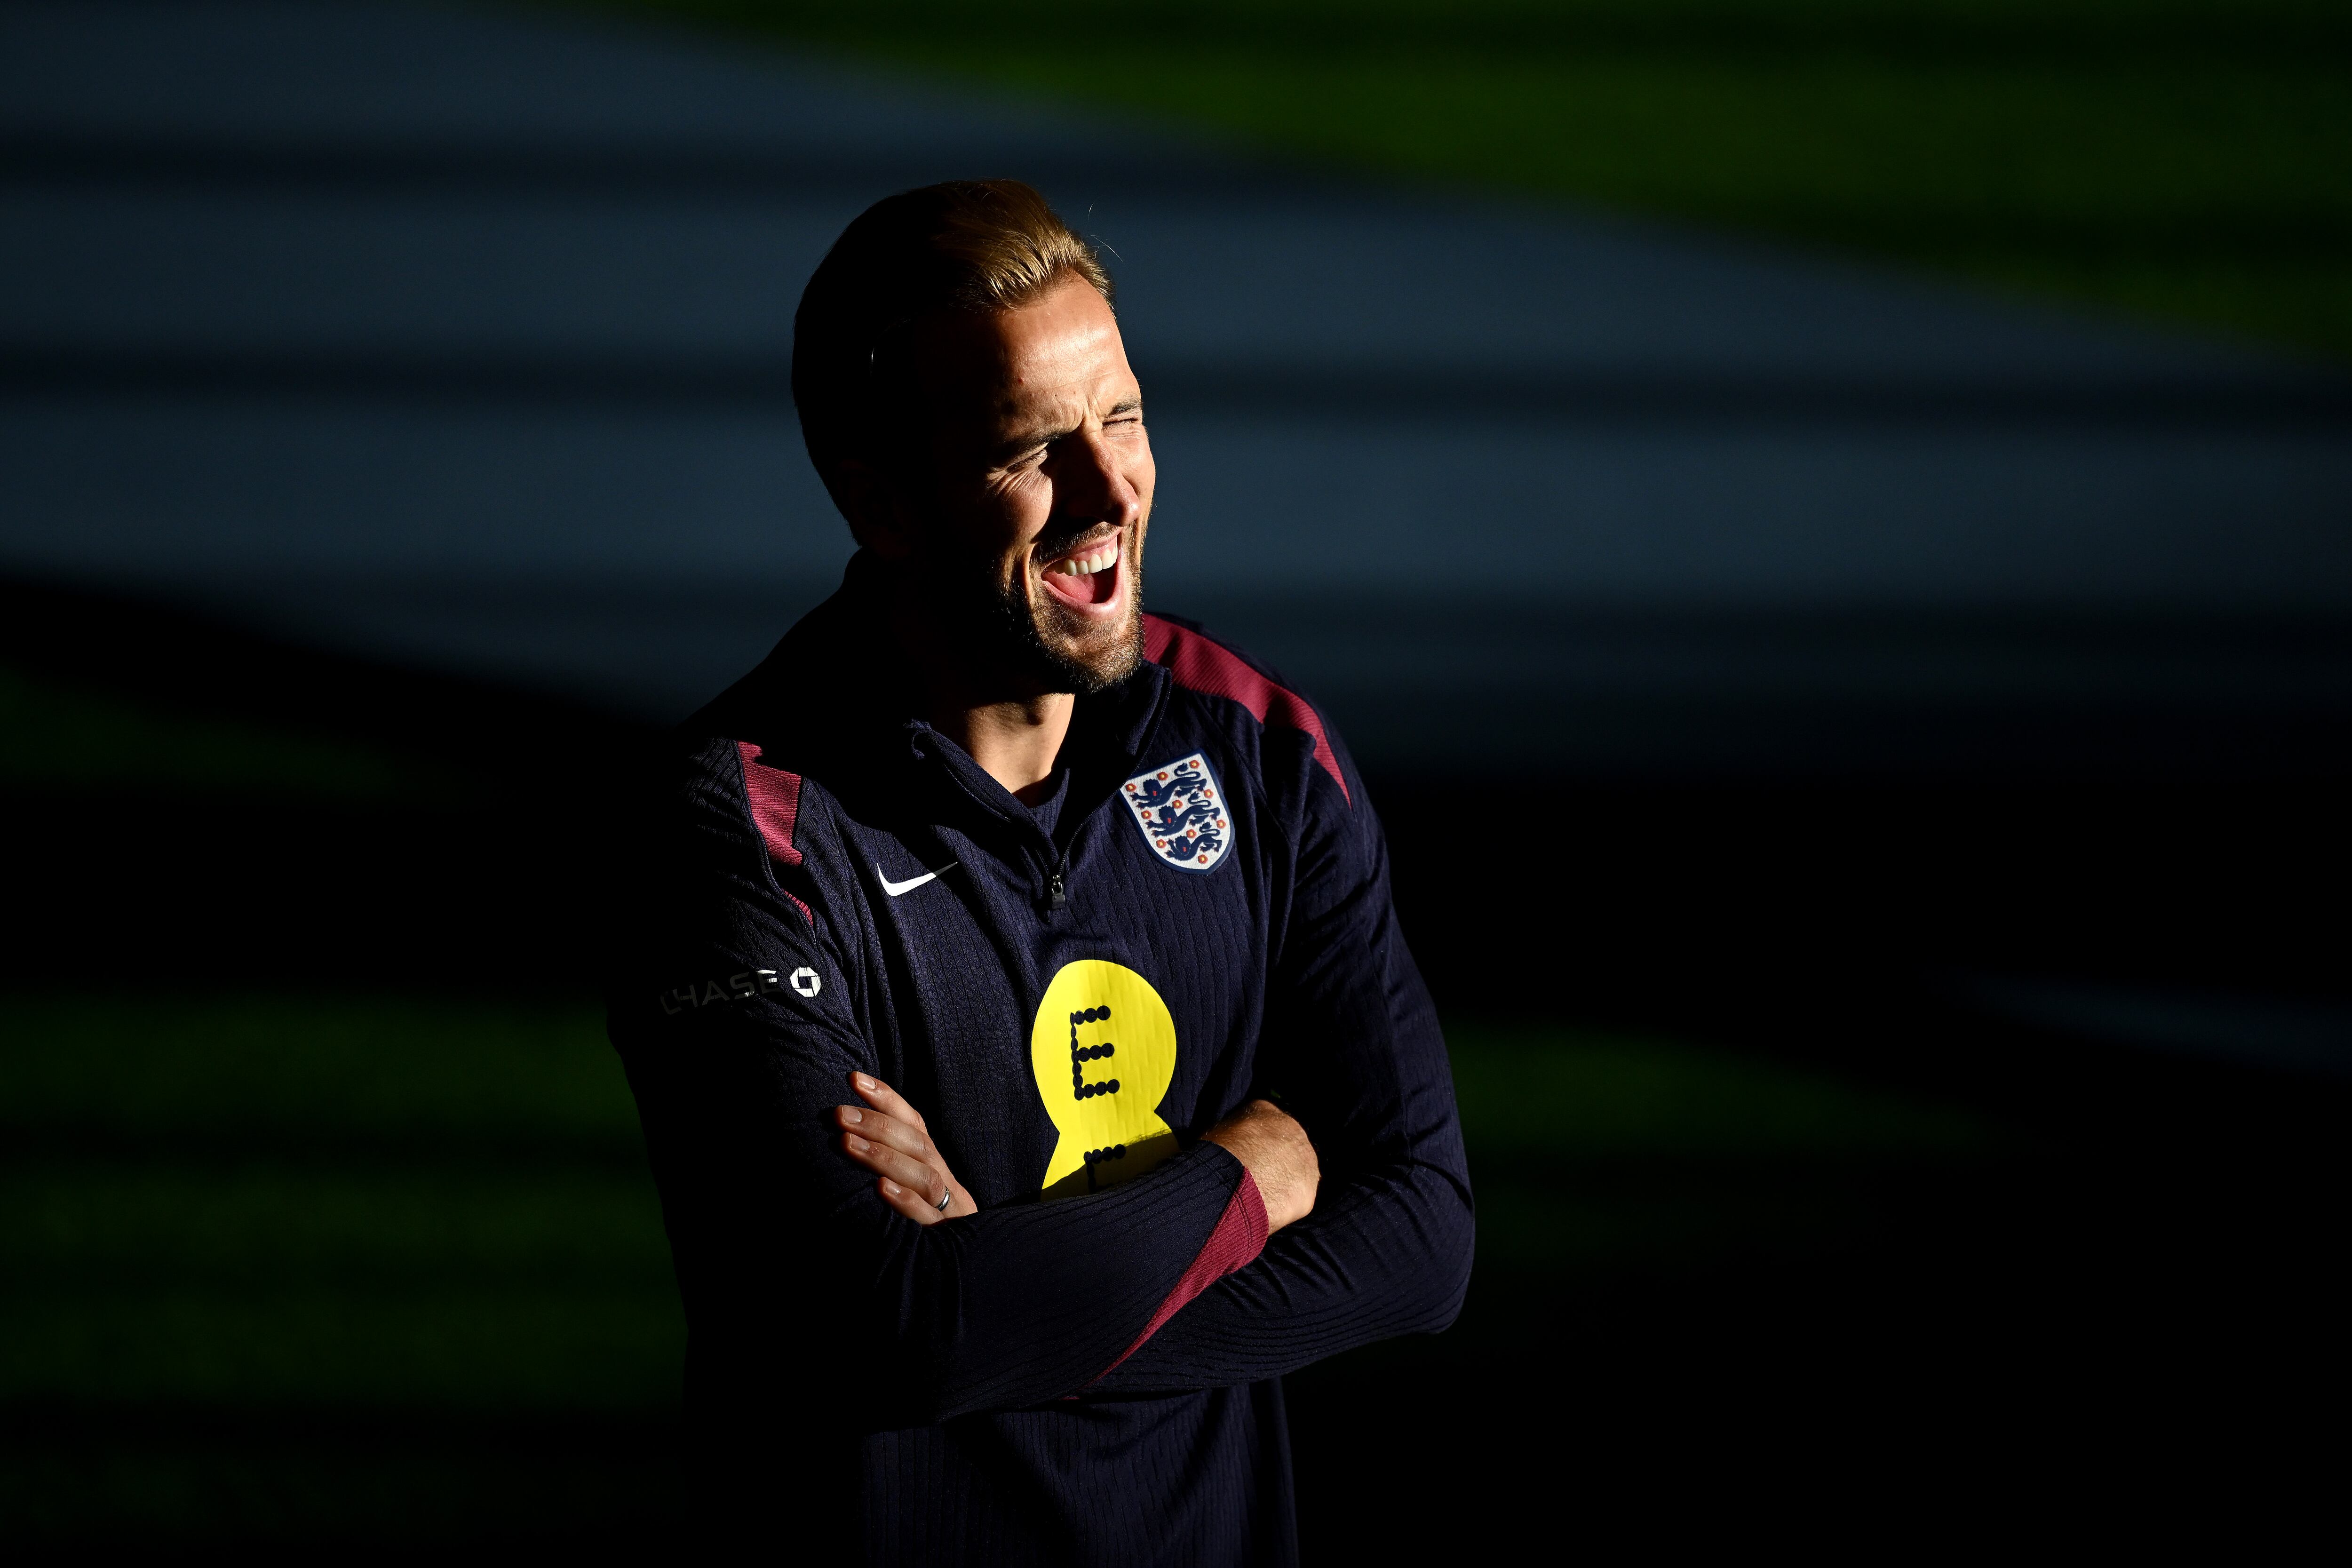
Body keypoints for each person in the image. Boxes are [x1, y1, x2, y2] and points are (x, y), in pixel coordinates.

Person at [604, 179, 1472, 1564]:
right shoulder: (740, 827)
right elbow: (878, 1327)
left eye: (1121, 416)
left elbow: (1422, 1241)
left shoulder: (1260, 748)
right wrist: (1248, 1174)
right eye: (1032, 448)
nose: (1110, 488)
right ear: (883, 504)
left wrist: (998, 1297)